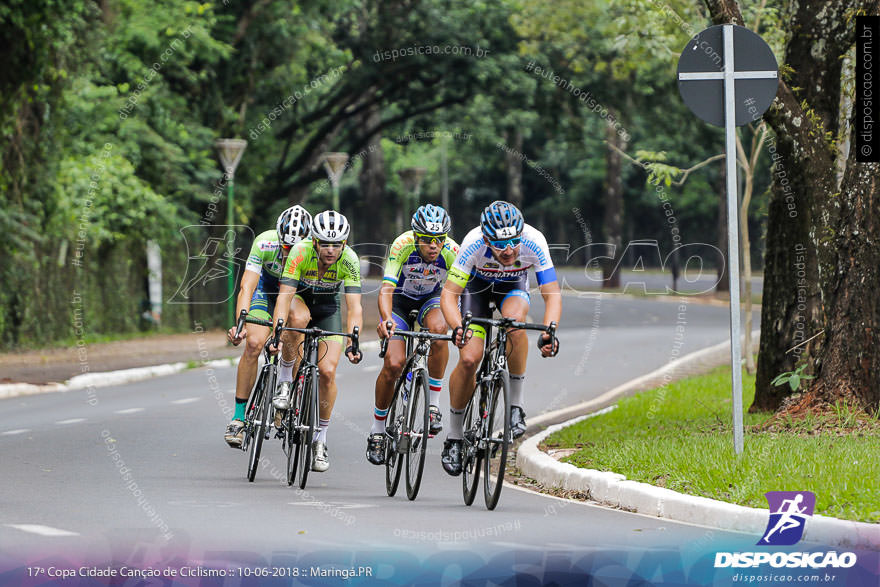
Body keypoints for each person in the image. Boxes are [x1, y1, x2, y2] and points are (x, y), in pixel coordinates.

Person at [438, 201, 561, 476]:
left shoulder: (534, 241)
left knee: (514, 325)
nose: (508, 251)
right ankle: (455, 437)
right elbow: (449, 295)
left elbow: (551, 293)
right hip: (476, 290)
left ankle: (515, 407)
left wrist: (549, 331)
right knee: (469, 358)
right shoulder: (472, 243)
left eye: (514, 243)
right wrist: (457, 326)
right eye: (499, 244)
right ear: (485, 239)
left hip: (512, 288)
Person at [270, 210, 363, 472]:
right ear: (315, 242)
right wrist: (278, 331)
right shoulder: (300, 252)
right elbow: (284, 297)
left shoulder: (350, 260)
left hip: (328, 309)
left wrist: (352, 341)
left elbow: (354, 307)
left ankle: (320, 439)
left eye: (336, 244)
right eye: (325, 244)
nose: (331, 250)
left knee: (328, 371)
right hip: (300, 299)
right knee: (297, 318)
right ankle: (286, 381)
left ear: (344, 244)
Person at [366, 205, 460, 465]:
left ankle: (433, 406)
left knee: (440, 331)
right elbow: (385, 289)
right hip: (399, 302)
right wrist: (386, 320)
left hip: (431, 300)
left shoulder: (452, 251)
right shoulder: (402, 245)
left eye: (439, 240)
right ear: (416, 237)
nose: (434, 246)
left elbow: (457, 294)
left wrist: (459, 325)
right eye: (428, 240)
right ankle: (377, 430)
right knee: (394, 364)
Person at [224, 205, 311, 447]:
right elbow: (247, 287)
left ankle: (290, 394)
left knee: (297, 330)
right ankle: (238, 418)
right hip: (266, 291)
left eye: (294, 249)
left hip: (294, 294)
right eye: (285, 247)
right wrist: (241, 321)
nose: (288, 253)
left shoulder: (313, 251)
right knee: (253, 344)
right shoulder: (264, 242)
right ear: (278, 237)